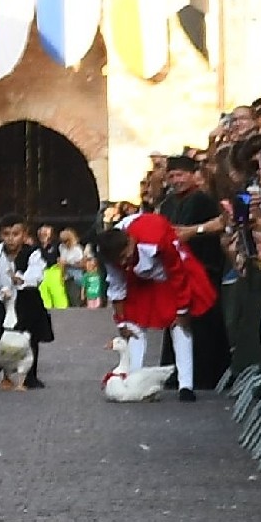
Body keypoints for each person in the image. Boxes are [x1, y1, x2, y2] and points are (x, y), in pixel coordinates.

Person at [97, 213, 215, 400]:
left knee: (179, 325)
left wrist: (182, 309)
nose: (123, 263)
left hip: (170, 274)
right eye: (118, 261)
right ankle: (133, 379)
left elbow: (178, 273)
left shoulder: (155, 239)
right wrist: (121, 321)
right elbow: (117, 285)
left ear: (131, 241)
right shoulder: (109, 255)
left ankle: (186, 385)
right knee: (133, 325)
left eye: (124, 257)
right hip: (139, 280)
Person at [156, 154, 229, 390]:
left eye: (180, 175)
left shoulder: (204, 200)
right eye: (172, 176)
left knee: (203, 324)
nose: (177, 180)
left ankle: (205, 374)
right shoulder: (167, 203)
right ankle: (176, 370)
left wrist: (190, 233)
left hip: (203, 268)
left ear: (192, 175)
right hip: (177, 270)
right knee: (177, 321)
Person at [0, 220, 53, 389]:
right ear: (1, 235)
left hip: (26, 297)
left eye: (15, 234)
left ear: (24, 235)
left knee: (30, 336)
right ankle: (3, 369)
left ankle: (30, 376)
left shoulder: (33, 253)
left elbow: (37, 272)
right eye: (6, 234)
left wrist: (23, 279)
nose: (10, 239)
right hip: (0, 297)